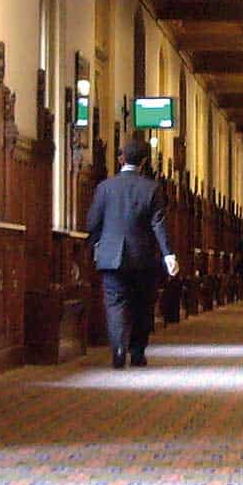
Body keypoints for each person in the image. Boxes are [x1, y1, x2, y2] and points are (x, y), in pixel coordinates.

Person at [86, 140, 180, 369]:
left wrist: (95, 247)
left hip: (110, 258)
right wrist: (169, 255)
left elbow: (92, 223)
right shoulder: (152, 188)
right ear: (145, 162)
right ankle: (137, 351)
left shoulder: (105, 187)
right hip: (143, 258)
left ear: (120, 159)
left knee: (115, 304)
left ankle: (118, 348)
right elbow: (158, 224)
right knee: (143, 305)